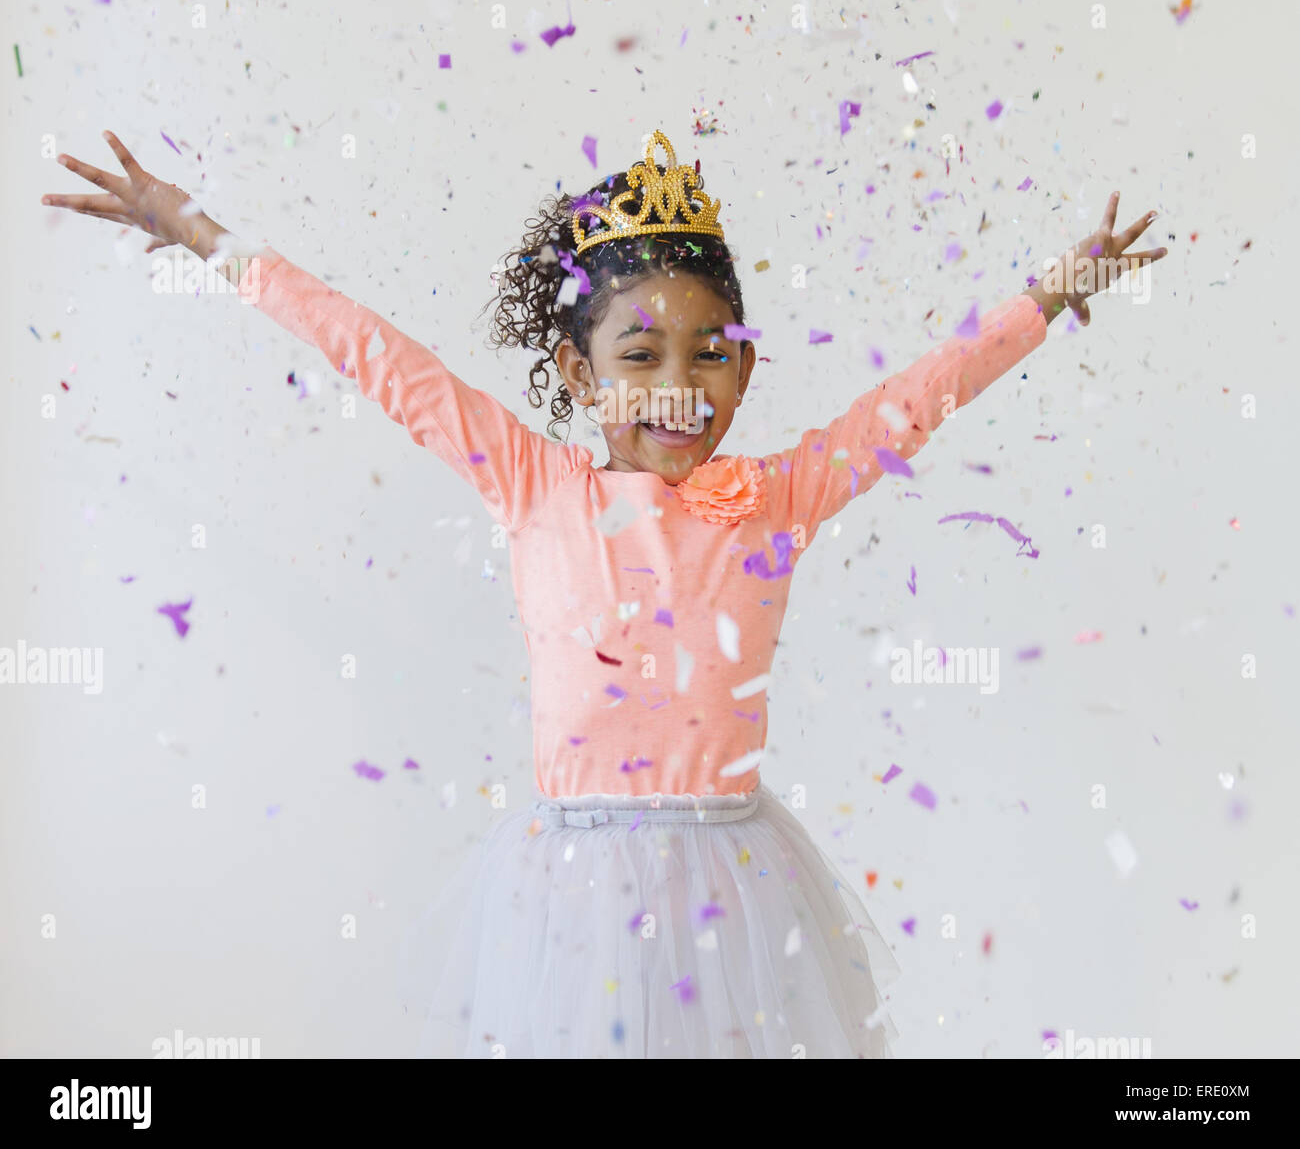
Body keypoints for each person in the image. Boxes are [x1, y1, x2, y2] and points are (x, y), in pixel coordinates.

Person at [41, 127, 1166, 1058]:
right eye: (640, 356)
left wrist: (1049, 296)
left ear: (749, 362)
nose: (681, 388)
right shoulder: (535, 484)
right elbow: (373, 355)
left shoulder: (773, 499)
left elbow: (915, 400)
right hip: (567, 892)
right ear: (580, 373)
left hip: (736, 878)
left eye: (712, 351)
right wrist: (199, 234)